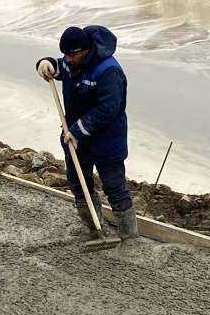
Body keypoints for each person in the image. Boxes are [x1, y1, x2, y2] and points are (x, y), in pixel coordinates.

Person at [36, 24, 138, 241]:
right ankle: (94, 228)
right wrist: (46, 64)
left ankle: (129, 236)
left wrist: (78, 130)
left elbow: (108, 109)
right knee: (78, 183)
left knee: (114, 187)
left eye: (72, 56)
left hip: (106, 140)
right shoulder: (73, 60)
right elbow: (59, 67)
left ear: (85, 50)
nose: (68, 60)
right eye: (65, 55)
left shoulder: (108, 71)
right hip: (76, 139)